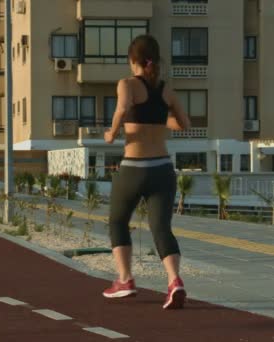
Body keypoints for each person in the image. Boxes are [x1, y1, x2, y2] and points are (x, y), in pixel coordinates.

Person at [102, 35, 191, 310]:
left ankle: (125, 280)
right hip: (163, 169)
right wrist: (159, 117)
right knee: (161, 227)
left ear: (132, 61)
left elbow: (121, 109)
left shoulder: (127, 84)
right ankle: (174, 280)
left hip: (134, 168)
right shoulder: (167, 90)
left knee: (117, 221)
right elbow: (184, 124)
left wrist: (111, 133)